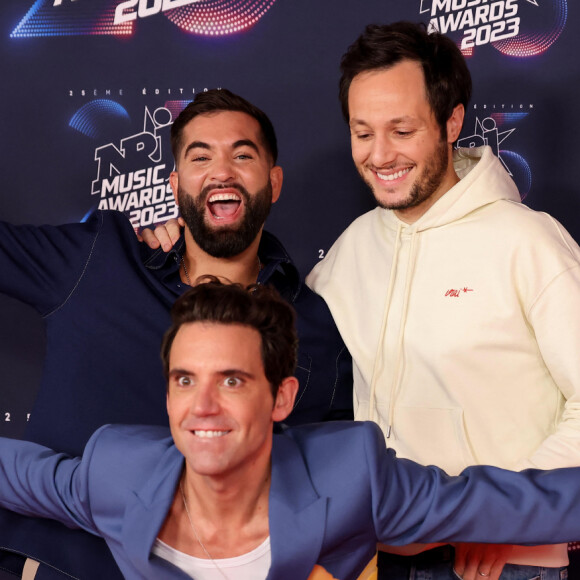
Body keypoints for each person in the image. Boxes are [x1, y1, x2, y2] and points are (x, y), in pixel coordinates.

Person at [2, 280, 580, 580]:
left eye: (231, 381)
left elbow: (527, 502)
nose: (201, 406)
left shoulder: (351, 476)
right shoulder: (116, 472)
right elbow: (22, 475)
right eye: (184, 380)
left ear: (281, 398)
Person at [0, 89, 352, 579]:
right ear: (175, 183)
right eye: (200, 156)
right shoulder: (99, 259)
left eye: (242, 155)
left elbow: (330, 482)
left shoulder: (314, 325)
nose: (221, 171)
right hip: (61, 563)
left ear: (274, 183)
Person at [306, 21, 580, 580]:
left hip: (503, 563)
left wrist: (502, 517)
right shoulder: (352, 249)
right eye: (363, 133)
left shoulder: (528, 241)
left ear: (451, 121)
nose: (380, 156)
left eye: (401, 131)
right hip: (383, 557)